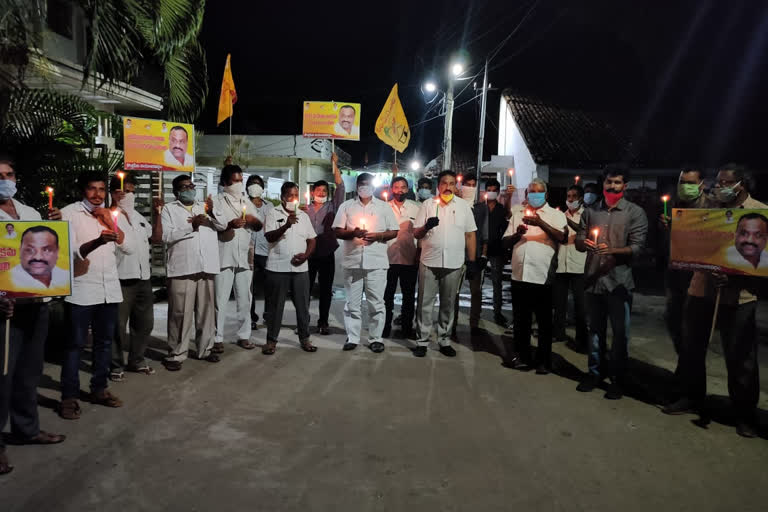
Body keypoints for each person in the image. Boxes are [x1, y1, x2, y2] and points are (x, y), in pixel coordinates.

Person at [664, 165, 766, 438]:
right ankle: (691, 397)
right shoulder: (708, 207)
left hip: (741, 296)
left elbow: (761, 256)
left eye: (726, 182)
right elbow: (692, 242)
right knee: (692, 348)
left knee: (741, 358)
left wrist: (736, 276)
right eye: (718, 182)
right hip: (700, 289)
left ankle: (744, 414)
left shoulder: (758, 212)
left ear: (742, 184)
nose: (719, 187)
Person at [0, 155, 65, 476]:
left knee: (29, 371)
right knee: (2, 376)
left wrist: (55, 225)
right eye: (0, 175)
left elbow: (47, 252)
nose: (5, 179)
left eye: (9, 174)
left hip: (34, 303)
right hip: (4, 308)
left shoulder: (30, 213)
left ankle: (27, 428)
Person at [59, 171, 129, 419]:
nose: (97, 194)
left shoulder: (110, 214)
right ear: (82, 190)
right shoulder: (68, 214)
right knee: (75, 345)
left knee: (105, 343)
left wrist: (110, 222)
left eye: (101, 189)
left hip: (108, 288)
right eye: (92, 189)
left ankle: (99, 389)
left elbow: (126, 246)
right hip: (81, 289)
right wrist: (98, 241)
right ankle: (69, 397)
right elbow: (70, 252)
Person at [575, 165, 648, 399]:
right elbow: (578, 238)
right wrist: (583, 243)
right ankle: (594, 372)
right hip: (593, 280)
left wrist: (613, 251)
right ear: (603, 184)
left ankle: (618, 378)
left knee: (620, 334)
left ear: (625, 186)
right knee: (594, 331)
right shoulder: (590, 210)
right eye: (609, 182)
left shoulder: (635, 213)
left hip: (619, 283)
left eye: (617, 183)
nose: (612, 186)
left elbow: (638, 247)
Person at [502, 179, 567, 373]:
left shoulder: (556, 215)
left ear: (546, 195)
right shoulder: (518, 213)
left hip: (543, 277)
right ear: (526, 194)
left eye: (539, 192)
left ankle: (543, 361)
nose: (535, 195)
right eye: (531, 191)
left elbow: (562, 237)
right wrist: (517, 234)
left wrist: (540, 222)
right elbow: (505, 242)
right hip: (520, 275)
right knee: (521, 320)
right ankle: (522, 356)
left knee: (545, 322)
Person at [412, 170, 478, 357]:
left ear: (455, 186)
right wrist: (426, 226)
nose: (447, 187)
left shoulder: (464, 206)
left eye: (451, 183)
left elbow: (470, 234)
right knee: (425, 302)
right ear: (438, 186)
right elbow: (416, 233)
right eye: (443, 183)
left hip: (454, 263)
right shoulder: (428, 205)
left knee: (448, 303)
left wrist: (472, 261)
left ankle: (444, 339)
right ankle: (422, 340)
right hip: (429, 261)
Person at [161, 175, 223, 371]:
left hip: (206, 266)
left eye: (191, 185)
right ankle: (177, 353)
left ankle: (205, 349)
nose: (189, 188)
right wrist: (192, 225)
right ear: (176, 192)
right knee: (180, 313)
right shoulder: (169, 209)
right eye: (184, 186)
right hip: (182, 268)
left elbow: (223, 227)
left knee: (206, 312)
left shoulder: (205, 207)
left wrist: (212, 213)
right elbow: (166, 236)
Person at [332, 173, 399, 352]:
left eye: (368, 184)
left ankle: (376, 338)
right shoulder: (346, 206)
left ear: (373, 186)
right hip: (353, 260)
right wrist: (352, 233)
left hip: (376, 261)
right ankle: (353, 337)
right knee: (352, 303)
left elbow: (394, 231)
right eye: (361, 184)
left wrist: (378, 236)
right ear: (356, 186)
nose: (364, 187)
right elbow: (337, 231)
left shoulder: (384, 207)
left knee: (376, 302)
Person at [109, 173, 162, 381]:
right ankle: (114, 364)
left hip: (143, 278)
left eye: (132, 191)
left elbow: (156, 238)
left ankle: (137, 360)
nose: (129, 195)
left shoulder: (139, 217)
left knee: (144, 323)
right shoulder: (107, 216)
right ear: (114, 193)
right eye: (125, 191)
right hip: (121, 279)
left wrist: (158, 213)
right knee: (118, 326)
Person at [659, 168, 711, 365]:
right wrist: (665, 228)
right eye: (682, 182)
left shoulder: (713, 207)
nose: (685, 187)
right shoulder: (675, 205)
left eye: (690, 183)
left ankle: (690, 381)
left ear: (702, 184)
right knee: (674, 323)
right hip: (675, 275)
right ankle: (685, 368)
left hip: (699, 278)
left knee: (694, 331)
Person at [211, 165, 263, 351]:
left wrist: (251, 220)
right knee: (220, 300)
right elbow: (214, 226)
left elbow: (258, 225)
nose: (240, 183)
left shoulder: (246, 201)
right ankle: (217, 338)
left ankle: (244, 335)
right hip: (223, 255)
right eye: (236, 180)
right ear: (225, 182)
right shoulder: (216, 201)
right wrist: (229, 225)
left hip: (244, 255)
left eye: (241, 180)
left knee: (245, 299)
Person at [263, 182, 317, 355]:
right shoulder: (273, 213)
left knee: (303, 306)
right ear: (282, 197)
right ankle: (271, 340)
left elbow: (312, 239)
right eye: (289, 195)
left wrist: (306, 255)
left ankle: (305, 338)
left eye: (295, 195)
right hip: (278, 267)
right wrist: (286, 224)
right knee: (275, 307)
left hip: (301, 269)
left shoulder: (304, 215)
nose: (292, 198)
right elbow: (269, 237)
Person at [306, 152, 345, 335]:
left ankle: (323, 321)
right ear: (312, 192)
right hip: (308, 253)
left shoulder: (332, 207)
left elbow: (340, 186)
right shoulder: (304, 209)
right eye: (318, 190)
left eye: (324, 191)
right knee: (304, 288)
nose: (321, 193)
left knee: (325, 289)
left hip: (326, 252)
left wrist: (335, 165)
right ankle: (303, 319)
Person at [383, 172, 421, 339]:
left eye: (403, 187)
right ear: (392, 189)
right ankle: (384, 326)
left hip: (409, 258)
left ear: (408, 189)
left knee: (408, 296)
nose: (400, 190)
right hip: (387, 259)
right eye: (396, 187)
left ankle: (407, 327)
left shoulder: (416, 207)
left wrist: (419, 254)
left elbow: (421, 233)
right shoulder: (383, 207)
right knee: (386, 296)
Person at [553, 185, 588, 352]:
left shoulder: (586, 215)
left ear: (581, 198)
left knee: (580, 305)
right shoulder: (561, 215)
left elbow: (583, 231)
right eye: (568, 196)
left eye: (574, 196)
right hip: (561, 263)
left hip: (579, 265)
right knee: (559, 302)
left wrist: (566, 221)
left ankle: (582, 338)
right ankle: (558, 332)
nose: (571, 199)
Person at [455, 173, 488, 334]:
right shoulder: (456, 205)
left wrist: (483, 255)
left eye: (473, 185)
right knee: (454, 291)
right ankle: (452, 322)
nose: (470, 188)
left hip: (474, 255)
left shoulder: (481, 207)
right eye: (467, 184)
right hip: (457, 253)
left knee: (476, 291)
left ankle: (474, 322)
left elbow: (484, 233)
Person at [480, 179, 510, 327]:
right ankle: (476, 312)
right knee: (477, 282)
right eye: (489, 189)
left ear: (498, 193)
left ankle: (497, 312)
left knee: (496, 283)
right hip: (481, 249)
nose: (491, 192)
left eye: (494, 190)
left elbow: (505, 229)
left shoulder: (501, 209)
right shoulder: (480, 208)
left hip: (496, 249)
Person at [246, 174, 273, 330]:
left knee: (269, 286)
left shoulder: (269, 206)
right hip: (247, 251)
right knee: (250, 287)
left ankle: (268, 315)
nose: (255, 186)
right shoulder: (243, 204)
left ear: (262, 188)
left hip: (266, 251)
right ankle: (251, 318)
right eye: (252, 183)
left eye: (258, 184)